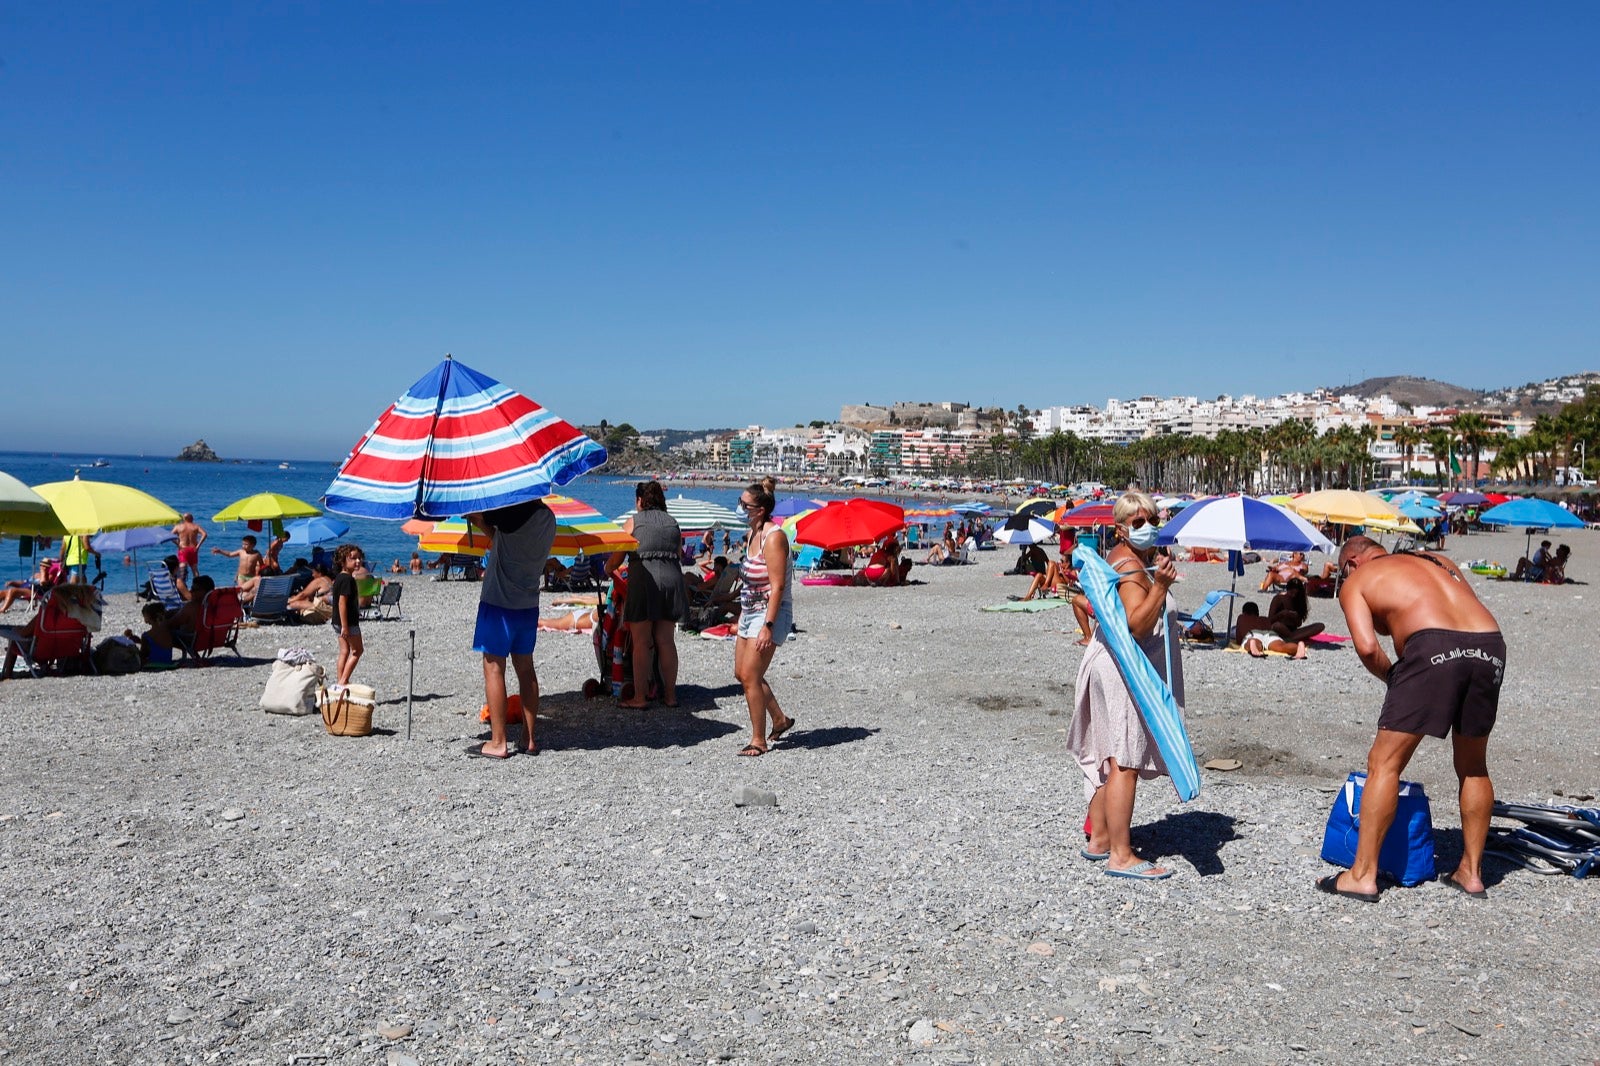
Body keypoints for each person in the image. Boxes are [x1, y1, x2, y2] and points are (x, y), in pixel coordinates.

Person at [1320, 535, 1504, 902]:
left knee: (1384, 764)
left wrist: (1395, 678)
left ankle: (1362, 874)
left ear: (1351, 563)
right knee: (1473, 765)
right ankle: (1471, 872)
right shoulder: (1438, 561)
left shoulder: (1357, 580)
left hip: (1432, 646)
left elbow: (1368, 646)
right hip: (1489, 644)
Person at [1070, 490, 1182, 881]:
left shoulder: (1125, 560)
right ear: (1120, 528)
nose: (1148, 528)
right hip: (1123, 668)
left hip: (1105, 660)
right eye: (1138, 523)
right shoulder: (1132, 568)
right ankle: (1121, 854)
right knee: (1125, 759)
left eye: (1152, 520)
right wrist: (1162, 587)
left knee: (1108, 753)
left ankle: (1100, 838)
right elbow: (1137, 627)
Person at [467, 498, 556, 759]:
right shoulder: (547, 518)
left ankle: (498, 741)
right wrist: (483, 523)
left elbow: (504, 530)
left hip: (498, 602)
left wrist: (480, 517)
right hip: (527, 603)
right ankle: (529, 738)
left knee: (494, 668)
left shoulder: (511, 511)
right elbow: (506, 542)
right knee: (525, 668)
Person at [732, 483, 796, 756]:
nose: (740, 508)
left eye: (744, 505)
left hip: (770, 614)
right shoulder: (752, 534)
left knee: (750, 676)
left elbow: (777, 586)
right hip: (749, 612)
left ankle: (758, 740)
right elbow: (749, 583)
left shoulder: (774, 538)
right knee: (742, 674)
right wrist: (740, 616)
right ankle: (779, 719)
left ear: (759, 510)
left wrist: (768, 627)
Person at [614, 481, 688, 709]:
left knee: (641, 642)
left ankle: (640, 697)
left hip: (644, 582)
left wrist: (608, 569)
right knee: (666, 641)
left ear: (639, 501)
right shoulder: (673, 522)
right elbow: (679, 554)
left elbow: (617, 557)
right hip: (672, 580)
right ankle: (670, 696)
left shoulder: (633, 522)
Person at [327, 544, 366, 690]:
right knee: (357, 651)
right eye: (353, 558)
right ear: (342, 561)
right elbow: (342, 603)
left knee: (344, 651)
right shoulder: (347, 580)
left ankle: (339, 682)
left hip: (336, 620)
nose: (357, 561)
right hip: (347, 622)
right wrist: (345, 626)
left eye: (359, 558)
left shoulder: (339, 578)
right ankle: (343, 681)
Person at [1232, 602, 1309, 659]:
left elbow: (1239, 638)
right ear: (1257, 612)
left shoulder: (1242, 617)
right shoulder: (1264, 619)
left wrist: (1244, 642)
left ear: (1244, 612)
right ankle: (1299, 646)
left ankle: (1252, 643)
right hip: (1271, 634)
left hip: (1254, 633)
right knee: (1282, 647)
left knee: (1256, 644)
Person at [132, 602, 175, 667]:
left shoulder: (146, 635)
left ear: (149, 617)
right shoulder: (168, 629)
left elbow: (143, 655)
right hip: (167, 661)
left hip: (154, 662)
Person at [171, 513, 208, 584]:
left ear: (184, 519)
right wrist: (198, 546)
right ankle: (197, 585)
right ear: (192, 519)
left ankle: (181, 585)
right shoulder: (196, 526)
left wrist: (178, 544)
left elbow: (170, 536)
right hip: (193, 549)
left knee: (182, 568)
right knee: (194, 569)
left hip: (183, 549)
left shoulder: (178, 527)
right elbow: (204, 534)